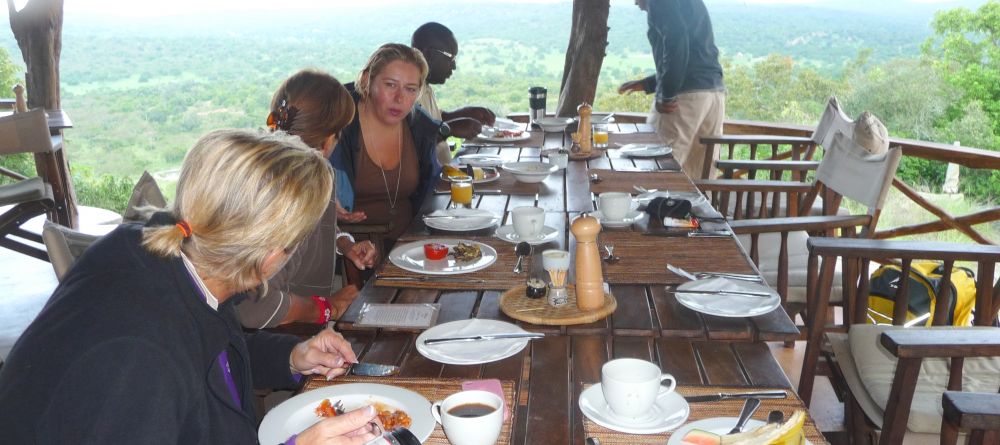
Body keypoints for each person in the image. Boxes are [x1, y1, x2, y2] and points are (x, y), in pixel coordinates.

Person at [0, 129, 379, 445]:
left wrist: (293, 358)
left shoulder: (169, 253)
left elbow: (207, 354)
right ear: (269, 256)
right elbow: (165, 363)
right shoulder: (136, 360)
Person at [236, 69, 379, 329]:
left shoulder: (302, 170)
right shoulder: (293, 195)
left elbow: (311, 231)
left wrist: (342, 242)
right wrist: (328, 308)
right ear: (327, 141)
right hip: (275, 342)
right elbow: (253, 307)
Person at [331, 43, 444, 244]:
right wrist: (328, 205)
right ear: (367, 81)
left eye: (410, 89)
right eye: (390, 85)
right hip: (349, 253)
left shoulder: (420, 129)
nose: (400, 98)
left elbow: (429, 191)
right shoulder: (337, 126)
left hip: (413, 245)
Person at [618, 0, 726, 179]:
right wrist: (648, 84)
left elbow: (676, 39)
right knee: (700, 171)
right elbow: (694, 55)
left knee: (657, 162)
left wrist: (666, 94)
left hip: (683, 98)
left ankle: (658, 207)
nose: (635, 2)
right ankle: (694, 208)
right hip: (713, 93)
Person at [411, 22, 497, 166]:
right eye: (450, 58)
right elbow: (411, 141)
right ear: (430, 54)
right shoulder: (407, 90)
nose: (454, 66)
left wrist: (464, 113)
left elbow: (431, 121)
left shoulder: (425, 85)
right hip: (431, 184)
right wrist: (449, 129)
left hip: (445, 172)